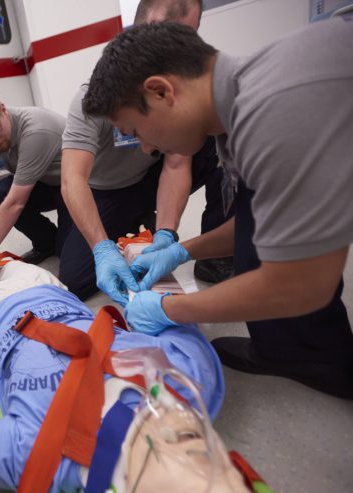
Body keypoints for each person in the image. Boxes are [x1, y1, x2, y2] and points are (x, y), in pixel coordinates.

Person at [82, 20, 353, 398]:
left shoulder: (271, 113)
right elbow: (265, 220)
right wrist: (181, 250)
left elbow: (305, 283)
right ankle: (291, 351)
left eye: (136, 131)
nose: (145, 148)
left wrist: (171, 308)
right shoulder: (240, 105)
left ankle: (319, 354)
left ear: (160, 92)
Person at [0, 262, 262, 493]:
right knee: (1, 260)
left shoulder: (35, 453)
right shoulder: (192, 381)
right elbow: (168, 308)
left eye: (190, 457)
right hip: (47, 288)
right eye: (229, 471)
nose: (190, 433)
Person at [59, 0, 232, 303]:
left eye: (192, 36)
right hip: (111, 190)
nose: (185, 49)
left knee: (209, 146)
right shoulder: (94, 97)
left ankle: (216, 254)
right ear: (150, 25)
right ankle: (133, 224)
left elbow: (177, 162)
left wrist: (167, 235)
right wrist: (101, 246)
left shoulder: (213, 97)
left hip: (149, 178)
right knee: (75, 279)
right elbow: (72, 178)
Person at [0, 86, 72, 265]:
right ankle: (46, 242)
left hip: (75, 185)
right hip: (44, 183)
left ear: (3, 110)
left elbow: (15, 204)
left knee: (69, 256)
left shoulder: (34, 130)